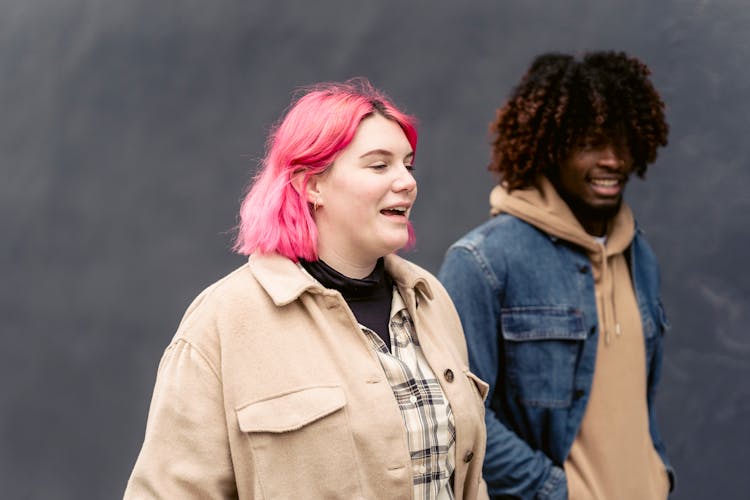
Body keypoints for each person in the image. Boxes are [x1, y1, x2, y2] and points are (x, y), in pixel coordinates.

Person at [124, 78, 489, 499]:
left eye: (407, 164)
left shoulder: (431, 301)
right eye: (378, 165)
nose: (407, 181)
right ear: (311, 184)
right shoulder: (223, 322)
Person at [438, 51, 673, 500]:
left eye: (622, 142)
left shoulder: (638, 254)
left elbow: (633, 402)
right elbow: (460, 413)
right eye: (589, 143)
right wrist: (558, 492)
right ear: (549, 148)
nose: (612, 160)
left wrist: (657, 472)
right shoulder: (484, 261)